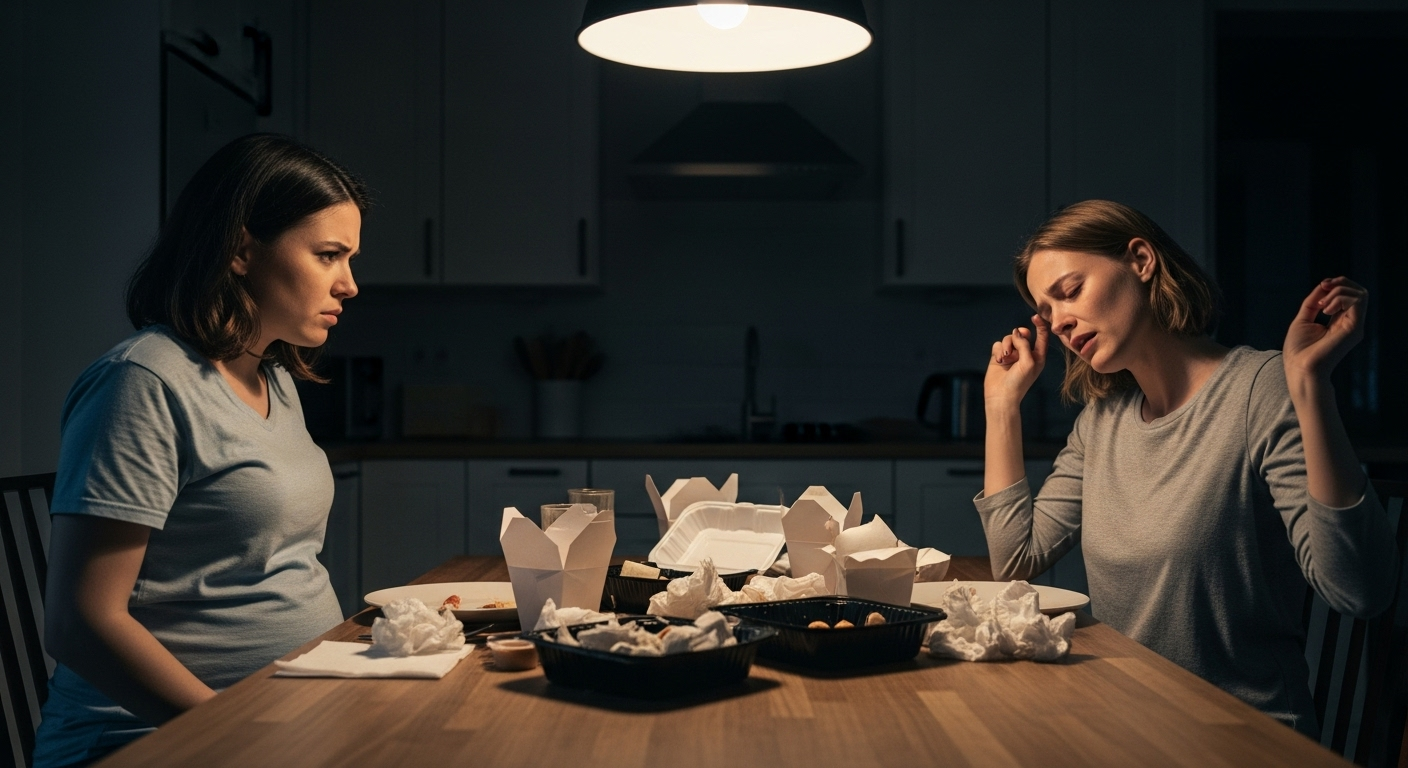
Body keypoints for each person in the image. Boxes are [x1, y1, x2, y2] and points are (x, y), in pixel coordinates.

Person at [978, 199, 1397, 736]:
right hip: (1123, 723)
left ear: (1141, 260)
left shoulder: (1260, 389)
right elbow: (1015, 560)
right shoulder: (1101, 422)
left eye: (1070, 291)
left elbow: (1361, 591)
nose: (1059, 321)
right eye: (1047, 311)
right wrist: (1000, 407)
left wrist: (1308, 386)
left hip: (1238, 737)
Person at [35, 134, 367, 767]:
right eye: (329, 255)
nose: (349, 284)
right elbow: (81, 622)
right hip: (162, 741)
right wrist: (234, 733)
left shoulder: (274, 380)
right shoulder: (144, 381)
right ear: (241, 249)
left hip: (289, 713)